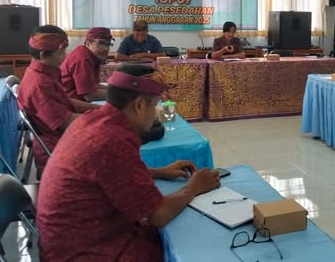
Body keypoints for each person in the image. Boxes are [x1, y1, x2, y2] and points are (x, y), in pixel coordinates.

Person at [37, 64, 219, 262]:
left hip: (63, 240)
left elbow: (108, 174)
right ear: (139, 105)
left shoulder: (91, 120)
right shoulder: (113, 141)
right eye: (154, 105)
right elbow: (158, 215)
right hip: (82, 251)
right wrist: (194, 188)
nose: (155, 113)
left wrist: (158, 172)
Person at [17, 25, 99, 176]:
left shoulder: (43, 73)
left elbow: (67, 102)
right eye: (60, 53)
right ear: (43, 55)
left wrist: (101, 109)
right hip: (59, 152)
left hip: (63, 140)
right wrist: (106, 116)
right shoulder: (39, 84)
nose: (65, 56)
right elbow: (67, 122)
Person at [61, 27, 112, 101]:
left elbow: (93, 85)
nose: (106, 48)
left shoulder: (93, 56)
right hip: (67, 103)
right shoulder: (83, 58)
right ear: (88, 43)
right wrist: (121, 95)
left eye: (108, 44)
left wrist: (116, 90)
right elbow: (89, 95)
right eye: (101, 43)